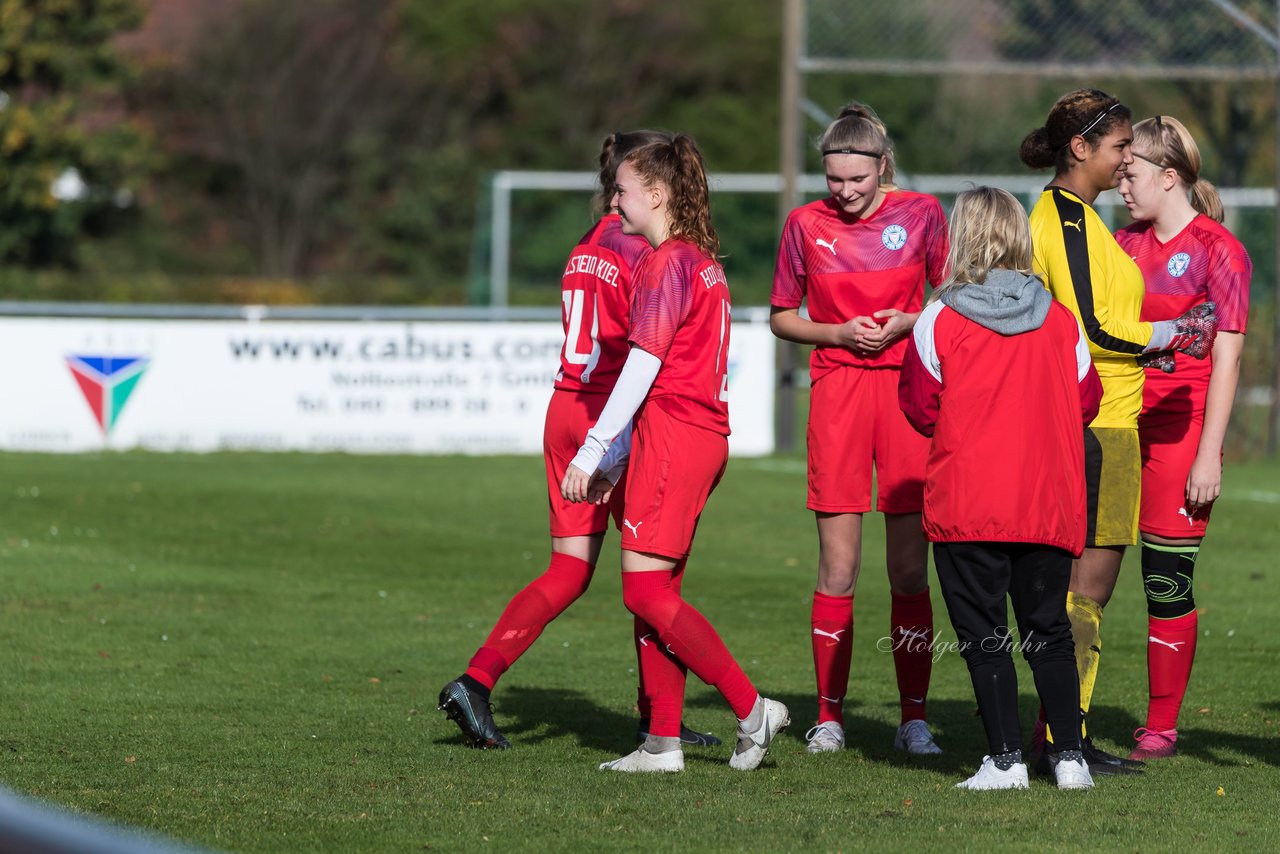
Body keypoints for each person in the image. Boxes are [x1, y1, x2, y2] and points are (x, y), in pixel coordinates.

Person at [438, 131, 720, 751]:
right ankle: (658, 723)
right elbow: (649, 347)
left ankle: (477, 681)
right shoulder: (646, 249)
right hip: (610, 417)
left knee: (569, 570)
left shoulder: (586, 243)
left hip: (566, 402)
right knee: (655, 577)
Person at [561, 132, 789, 773]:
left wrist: (595, 448)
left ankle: (752, 709)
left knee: (642, 594)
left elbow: (643, 363)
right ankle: (662, 743)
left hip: (676, 435)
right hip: (694, 436)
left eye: (625, 189)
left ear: (656, 194)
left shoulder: (664, 263)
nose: (616, 198)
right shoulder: (701, 260)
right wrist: (617, 458)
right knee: (656, 590)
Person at [1019, 88, 1218, 774]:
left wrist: (1157, 347)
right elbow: (1091, 327)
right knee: (1087, 592)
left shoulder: (1076, 218)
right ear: (1081, 149)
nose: (1126, 157)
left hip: (1106, 420)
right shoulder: (1065, 222)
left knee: (1080, 592)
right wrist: (1176, 332)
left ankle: (1059, 734)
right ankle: (1061, 741)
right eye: (1119, 146)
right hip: (1098, 425)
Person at [899, 186, 1103, 790]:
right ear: (1020, 235)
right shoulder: (1059, 317)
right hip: (1047, 500)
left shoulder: (941, 315)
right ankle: (1070, 759)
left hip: (969, 503)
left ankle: (1007, 761)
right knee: (1051, 631)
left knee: (984, 638)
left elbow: (918, 405)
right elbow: (1085, 401)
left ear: (963, 236)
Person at [769, 101, 948, 755]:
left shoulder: (924, 214)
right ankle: (828, 717)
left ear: (882, 167)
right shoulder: (801, 225)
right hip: (838, 393)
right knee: (838, 566)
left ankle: (915, 719)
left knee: (907, 569)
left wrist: (907, 323)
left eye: (857, 179)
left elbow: (950, 294)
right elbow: (781, 315)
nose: (843, 192)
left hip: (908, 395)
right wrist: (836, 332)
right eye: (833, 179)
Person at [1115, 115, 1250, 760]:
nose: (1121, 183)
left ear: (1169, 177)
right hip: (1117, 424)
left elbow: (1226, 360)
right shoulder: (1120, 245)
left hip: (1182, 431)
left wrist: (1207, 455)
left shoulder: (1220, 250)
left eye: (1131, 172)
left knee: (1165, 577)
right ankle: (1061, 718)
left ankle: (1161, 726)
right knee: (1084, 571)